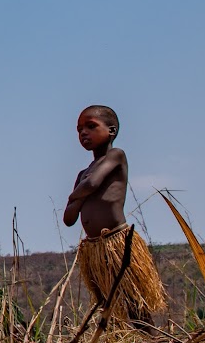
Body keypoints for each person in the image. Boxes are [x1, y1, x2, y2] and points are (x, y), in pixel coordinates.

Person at [63, 105, 167, 325]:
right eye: (79, 129)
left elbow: (92, 184)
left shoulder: (116, 156)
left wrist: (77, 195)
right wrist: (79, 195)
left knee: (132, 298)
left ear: (111, 130)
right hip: (94, 248)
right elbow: (69, 218)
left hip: (117, 242)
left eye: (91, 126)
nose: (83, 133)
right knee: (106, 303)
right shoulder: (82, 173)